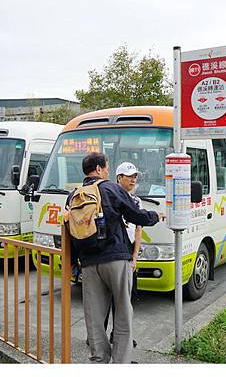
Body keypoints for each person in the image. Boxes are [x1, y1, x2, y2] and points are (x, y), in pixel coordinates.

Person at [66, 152, 159, 364]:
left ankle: (99, 359)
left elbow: (70, 229)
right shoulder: (109, 187)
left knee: (95, 317)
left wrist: (74, 262)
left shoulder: (74, 195)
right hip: (116, 259)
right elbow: (136, 215)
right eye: (106, 168)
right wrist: (155, 216)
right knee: (123, 314)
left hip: (89, 264)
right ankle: (120, 363)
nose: (108, 171)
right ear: (98, 169)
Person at [104, 162, 142, 345]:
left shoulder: (136, 201)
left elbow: (138, 231)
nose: (133, 179)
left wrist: (134, 257)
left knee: (125, 300)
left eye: (135, 176)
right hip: (112, 252)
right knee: (104, 298)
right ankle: (99, 335)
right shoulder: (109, 197)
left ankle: (120, 336)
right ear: (119, 178)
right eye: (130, 176)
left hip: (127, 252)